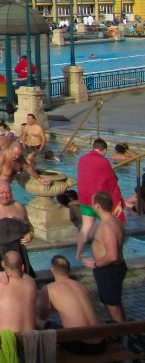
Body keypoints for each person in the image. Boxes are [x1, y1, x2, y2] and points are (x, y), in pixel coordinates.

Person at [35, 255, 104, 355]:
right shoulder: (81, 286)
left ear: (52, 269)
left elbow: (42, 316)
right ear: (69, 269)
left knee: (36, 320)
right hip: (101, 342)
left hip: (81, 344)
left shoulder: (49, 288)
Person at [75, 139, 125, 261]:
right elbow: (111, 181)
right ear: (105, 150)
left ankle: (78, 254)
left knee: (85, 228)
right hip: (99, 202)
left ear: (93, 147)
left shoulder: (82, 159)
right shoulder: (103, 162)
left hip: (85, 198)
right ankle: (111, 253)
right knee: (108, 227)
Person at [82, 190, 126, 322]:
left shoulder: (107, 226)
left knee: (112, 307)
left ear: (97, 206)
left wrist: (95, 264)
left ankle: (121, 332)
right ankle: (124, 328)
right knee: (115, 303)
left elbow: (113, 256)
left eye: (92, 203)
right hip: (113, 268)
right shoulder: (115, 220)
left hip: (109, 269)